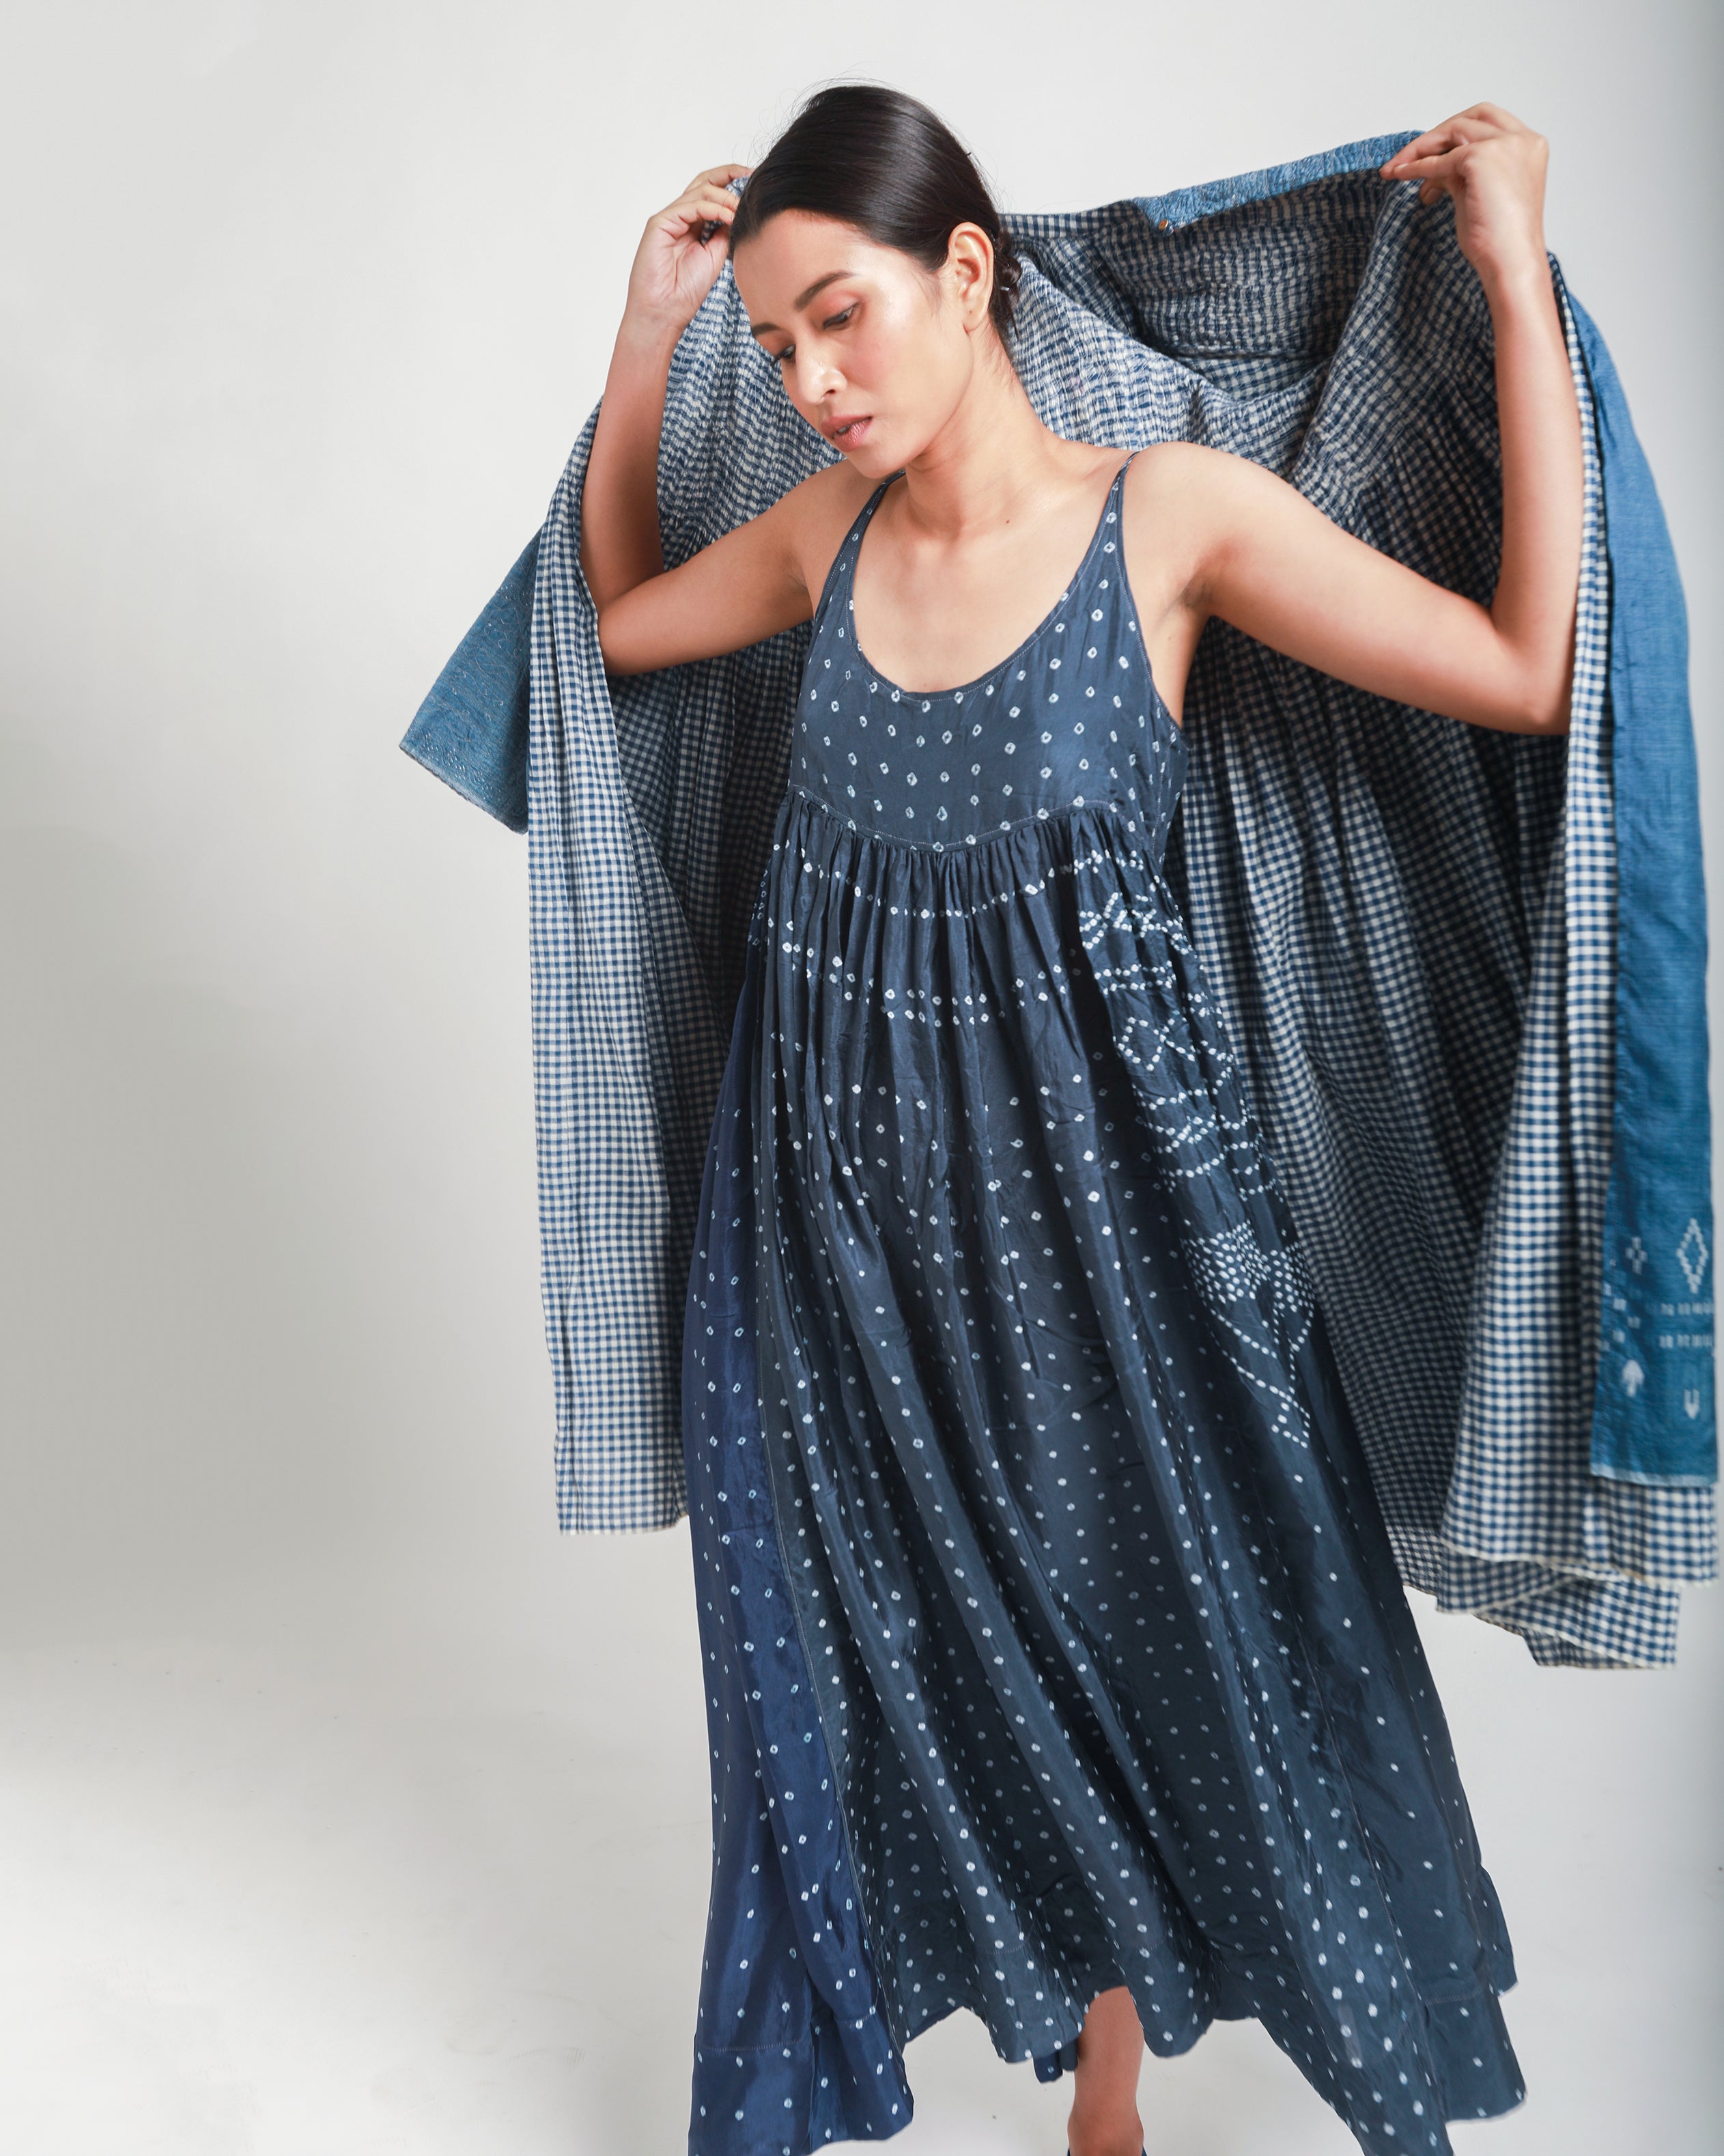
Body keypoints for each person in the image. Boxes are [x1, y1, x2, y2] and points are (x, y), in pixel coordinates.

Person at [579, 84, 1580, 2156]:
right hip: (828, 1228)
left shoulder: (1172, 520)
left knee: (1201, 1633)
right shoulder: (823, 539)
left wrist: (1508, 273)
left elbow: (1519, 666)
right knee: (847, 1666)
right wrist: (651, 340)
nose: (816, 382)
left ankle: (1165, 2089)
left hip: (1115, 1226)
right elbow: (617, 625)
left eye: (840, 317)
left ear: (967, 272)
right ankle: (1075, 2102)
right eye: (779, 347)